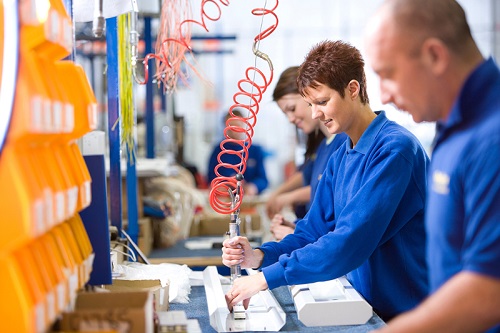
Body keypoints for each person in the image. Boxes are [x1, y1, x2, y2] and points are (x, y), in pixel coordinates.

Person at [222, 40, 429, 321]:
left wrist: (265, 279)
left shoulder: (395, 150)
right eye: (310, 104)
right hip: (366, 307)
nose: (315, 113)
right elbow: (312, 232)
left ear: (353, 89)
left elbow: (349, 241)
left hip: (408, 312)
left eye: (322, 102)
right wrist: (258, 257)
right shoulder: (341, 154)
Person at [364, 0, 500, 331]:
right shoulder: (452, 129)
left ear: (435, 56)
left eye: (387, 74)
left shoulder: (491, 138)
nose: (383, 96)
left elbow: (489, 291)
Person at [267, 66, 347, 240]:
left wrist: (298, 231)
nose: (290, 119)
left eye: (292, 108)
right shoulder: (323, 147)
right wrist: (297, 228)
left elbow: (334, 212)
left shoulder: (344, 144)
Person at [207, 109, 269, 196]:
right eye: (231, 126)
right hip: (226, 198)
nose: (235, 129)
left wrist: (253, 187)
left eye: (238, 125)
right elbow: (211, 178)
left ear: (243, 125)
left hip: (249, 200)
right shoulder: (218, 151)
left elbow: (263, 180)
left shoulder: (255, 150)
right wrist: (226, 184)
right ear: (225, 127)